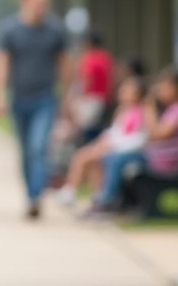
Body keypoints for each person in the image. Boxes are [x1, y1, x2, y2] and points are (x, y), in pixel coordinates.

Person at [0, 0, 69, 219]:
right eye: (37, 2)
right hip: (19, 99)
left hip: (46, 98)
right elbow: (1, 63)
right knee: (25, 151)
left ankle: (36, 196)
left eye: (45, 3)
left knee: (38, 147)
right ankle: (30, 194)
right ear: (25, 1)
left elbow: (65, 65)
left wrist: (66, 98)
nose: (41, 7)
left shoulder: (55, 30)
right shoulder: (10, 30)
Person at [89, 69, 178, 215]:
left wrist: (149, 107)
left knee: (117, 159)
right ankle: (113, 200)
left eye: (165, 87)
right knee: (111, 157)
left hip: (163, 162)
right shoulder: (172, 109)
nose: (161, 91)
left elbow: (158, 134)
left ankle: (108, 201)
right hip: (155, 157)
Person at [57, 75, 147, 209]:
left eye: (127, 91)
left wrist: (110, 144)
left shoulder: (142, 113)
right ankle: (97, 196)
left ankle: (72, 190)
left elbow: (137, 138)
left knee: (85, 156)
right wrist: (104, 142)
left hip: (125, 150)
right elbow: (115, 132)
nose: (122, 93)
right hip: (115, 146)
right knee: (91, 160)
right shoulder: (122, 111)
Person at [71, 31, 114, 144]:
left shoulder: (89, 58)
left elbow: (87, 79)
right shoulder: (106, 57)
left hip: (91, 99)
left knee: (83, 133)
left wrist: (77, 98)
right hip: (105, 100)